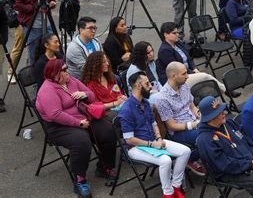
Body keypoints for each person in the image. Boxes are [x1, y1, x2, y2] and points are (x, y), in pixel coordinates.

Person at [35, 59, 116, 198]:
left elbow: (90, 94)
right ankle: (79, 180)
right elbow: (55, 115)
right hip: (59, 127)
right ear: (55, 75)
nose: (68, 72)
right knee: (81, 141)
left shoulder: (71, 80)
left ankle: (105, 166)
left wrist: (84, 95)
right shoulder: (46, 90)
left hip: (83, 115)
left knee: (107, 130)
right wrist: (78, 124)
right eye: (64, 70)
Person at [118, 71, 190, 198]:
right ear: (138, 86)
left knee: (185, 151)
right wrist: (152, 144)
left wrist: (158, 138)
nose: (151, 86)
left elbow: (153, 123)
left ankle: (176, 185)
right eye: (147, 84)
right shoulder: (126, 110)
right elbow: (129, 139)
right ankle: (168, 193)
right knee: (166, 160)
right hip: (136, 147)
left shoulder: (145, 103)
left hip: (153, 141)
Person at [156, 22, 240, 97]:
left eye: (177, 32)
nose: (177, 35)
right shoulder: (164, 51)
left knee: (207, 89)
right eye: (174, 33)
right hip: (178, 81)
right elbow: (177, 69)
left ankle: (213, 108)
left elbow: (189, 58)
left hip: (187, 74)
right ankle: (227, 91)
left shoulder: (178, 43)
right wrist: (192, 72)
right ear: (165, 35)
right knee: (205, 77)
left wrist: (194, 68)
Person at [152, 61, 206, 176]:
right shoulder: (162, 98)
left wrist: (201, 115)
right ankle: (190, 159)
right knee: (206, 136)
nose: (187, 76)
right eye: (184, 74)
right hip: (179, 131)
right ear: (173, 76)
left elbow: (192, 106)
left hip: (194, 122)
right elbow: (171, 126)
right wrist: (193, 125)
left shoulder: (184, 85)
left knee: (218, 125)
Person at [14, 0, 57, 66]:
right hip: (32, 24)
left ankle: (53, 70)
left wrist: (52, 1)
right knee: (34, 52)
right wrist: (34, 8)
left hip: (46, 22)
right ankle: (35, 76)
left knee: (53, 48)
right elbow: (17, 5)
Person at [81, 51, 127, 121]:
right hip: (106, 112)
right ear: (96, 65)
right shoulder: (90, 84)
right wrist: (115, 103)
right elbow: (95, 106)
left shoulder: (111, 77)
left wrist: (122, 97)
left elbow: (118, 93)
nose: (107, 64)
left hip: (119, 107)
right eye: (104, 62)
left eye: (107, 61)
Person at [7, 0, 28, 83]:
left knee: (32, 45)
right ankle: (11, 71)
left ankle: (28, 68)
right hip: (21, 20)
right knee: (19, 46)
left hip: (31, 19)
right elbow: (15, 4)